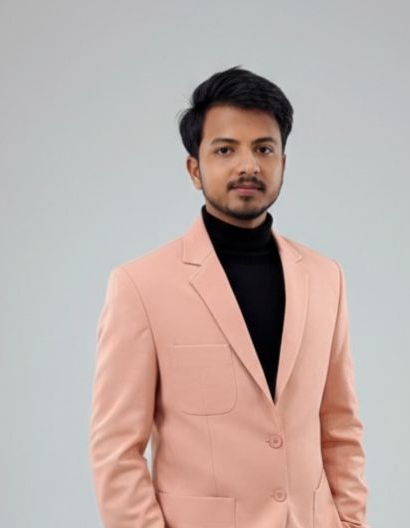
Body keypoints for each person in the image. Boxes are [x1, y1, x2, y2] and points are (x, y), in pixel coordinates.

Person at [88, 65, 370, 528]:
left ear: (283, 163)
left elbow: (340, 430)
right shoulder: (140, 285)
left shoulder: (325, 277)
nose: (248, 166)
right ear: (194, 169)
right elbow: (115, 449)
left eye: (264, 149)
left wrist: (352, 522)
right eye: (225, 149)